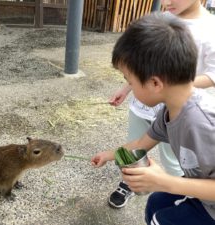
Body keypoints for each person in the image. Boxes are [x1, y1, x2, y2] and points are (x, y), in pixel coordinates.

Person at [91, 13, 215, 224]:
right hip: (202, 193)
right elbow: (141, 143)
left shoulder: (202, 123)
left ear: (155, 83)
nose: (128, 85)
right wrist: (108, 154)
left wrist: (163, 181)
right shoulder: (170, 111)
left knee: (161, 218)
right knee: (156, 202)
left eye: (129, 80)